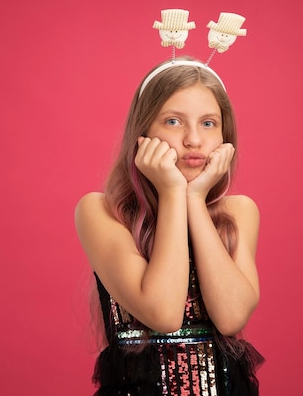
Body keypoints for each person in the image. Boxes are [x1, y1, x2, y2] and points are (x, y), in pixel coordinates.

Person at [75, 56, 264, 396]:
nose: (194, 139)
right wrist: (173, 190)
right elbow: (163, 313)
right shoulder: (100, 211)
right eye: (174, 121)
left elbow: (232, 317)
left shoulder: (240, 212)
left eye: (208, 123)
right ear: (143, 131)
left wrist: (195, 200)